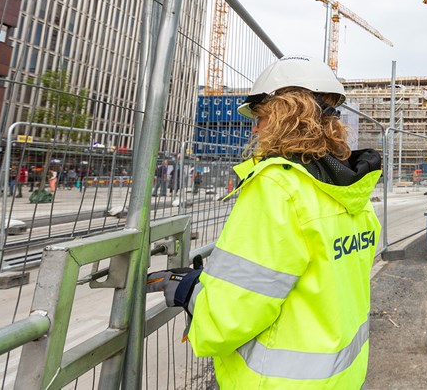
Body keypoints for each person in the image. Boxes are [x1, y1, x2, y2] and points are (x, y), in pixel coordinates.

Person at [146, 56, 382, 388]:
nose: (254, 128)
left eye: (259, 116)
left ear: (286, 113)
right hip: (341, 378)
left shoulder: (278, 188)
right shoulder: (353, 192)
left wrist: (191, 293)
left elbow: (227, 321)